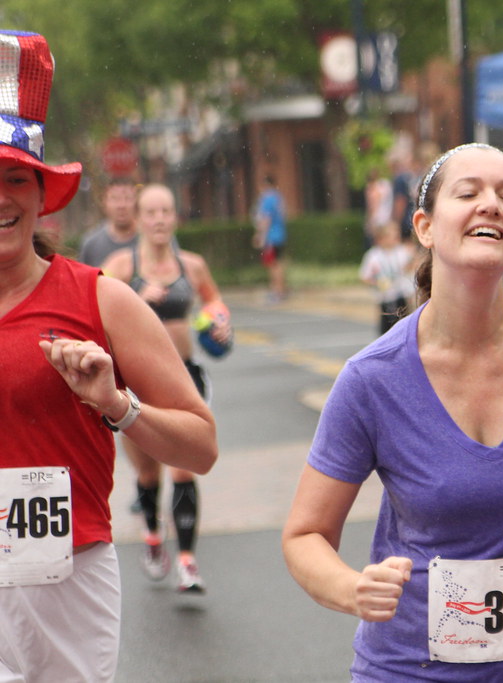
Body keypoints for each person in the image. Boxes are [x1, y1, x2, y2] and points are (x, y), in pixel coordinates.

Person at [282, 143, 503, 681]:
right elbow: (305, 535)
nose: (491, 205)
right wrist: (352, 589)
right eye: (469, 192)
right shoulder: (372, 379)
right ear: (425, 227)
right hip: (412, 670)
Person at [0, 30, 217, 682]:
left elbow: (200, 446)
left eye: (15, 177)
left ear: (42, 196)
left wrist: (118, 407)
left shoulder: (101, 299)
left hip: (64, 580)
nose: (1, 196)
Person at [102, 183, 232, 594]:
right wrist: (132, 296)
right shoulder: (121, 266)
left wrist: (219, 319)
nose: (159, 219)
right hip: (137, 384)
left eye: (166, 211)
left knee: (183, 464)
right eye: (151, 212)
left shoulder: (191, 265)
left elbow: (214, 301)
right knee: (146, 472)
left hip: (184, 379)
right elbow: (92, 312)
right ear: (139, 219)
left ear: (175, 217)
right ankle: (154, 539)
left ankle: (188, 562)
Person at [359, 220, 416, 335]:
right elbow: (364, 277)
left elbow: (410, 266)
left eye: (396, 235)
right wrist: (377, 283)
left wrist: (412, 260)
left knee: (402, 325)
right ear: (381, 239)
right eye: (392, 236)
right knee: (386, 328)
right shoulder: (373, 256)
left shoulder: (401, 252)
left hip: (401, 295)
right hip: (385, 297)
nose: (396, 239)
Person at [78, 177, 137, 267]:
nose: (121, 205)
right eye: (115, 199)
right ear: (104, 202)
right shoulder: (91, 244)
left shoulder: (149, 241)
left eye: (128, 198)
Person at [253, 174, 288, 303]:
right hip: (280, 235)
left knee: (273, 265)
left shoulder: (267, 198)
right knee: (279, 263)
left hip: (271, 237)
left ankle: (276, 292)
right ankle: (281, 290)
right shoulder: (278, 198)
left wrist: (260, 235)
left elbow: (265, 219)